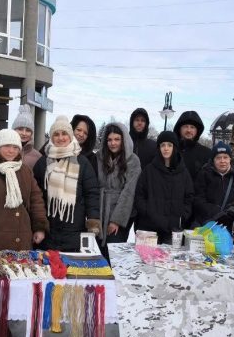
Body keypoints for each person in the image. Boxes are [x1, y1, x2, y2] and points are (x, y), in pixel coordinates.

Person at [33, 115, 101, 251]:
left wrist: (93, 221)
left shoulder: (83, 162)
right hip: (48, 230)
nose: (60, 137)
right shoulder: (42, 162)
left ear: (70, 136)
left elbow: (92, 194)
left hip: (74, 230)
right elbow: (35, 196)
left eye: (64, 133)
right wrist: (39, 225)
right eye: (56, 134)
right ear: (51, 137)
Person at [135, 131, 194, 244]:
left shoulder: (183, 172)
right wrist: (149, 213)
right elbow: (139, 196)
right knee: (147, 256)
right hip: (150, 228)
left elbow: (189, 197)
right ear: (159, 148)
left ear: (174, 147)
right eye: (162, 145)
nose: (166, 148)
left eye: (169, 145)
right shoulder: (149, 170)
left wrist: (181, 217)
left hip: (173, 231)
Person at [193, 142, 234, 236]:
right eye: (218, 158)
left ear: (230, 159)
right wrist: (216, 212)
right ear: (213, 160)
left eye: (225, 157)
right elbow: (198, 198)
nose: (222, 161)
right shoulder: (204, 174)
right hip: (209, 224)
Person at [96, 122, 141, 254]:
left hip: (121, 212)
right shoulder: (99, 157)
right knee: (97, 252)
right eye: (109, 140)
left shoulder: (132, 160)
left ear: (124, 140)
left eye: (117, 139)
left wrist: (116, 220)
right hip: (100, 210)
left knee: (114, 251)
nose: (113, 143)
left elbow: (129, 192)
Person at [173, 110, 211, 181]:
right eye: (185, 126)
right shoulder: (170, 151)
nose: (189, 130)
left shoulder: (206, 153)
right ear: (179, 129)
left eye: (192, 127)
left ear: (197, 131)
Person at [11, 104, 42, 170]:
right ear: (14, 130)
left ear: (31, 133)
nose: (24, 133)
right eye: (20, 129)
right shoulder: (4, 151)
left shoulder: (38, 157)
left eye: (28, 130)